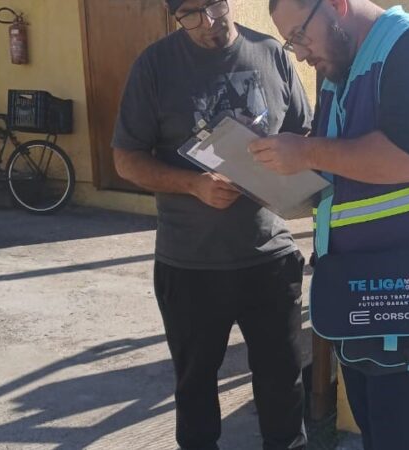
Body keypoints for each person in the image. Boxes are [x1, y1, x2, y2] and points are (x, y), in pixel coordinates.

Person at [248, 0, 409, 448]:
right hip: (364, 295)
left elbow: (408, 157)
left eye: (301, 35)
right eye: (291, 43)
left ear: (338, 6)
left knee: (405, 440)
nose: (301, 54)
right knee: (378, 434)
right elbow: (341, 167)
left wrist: (305, 153)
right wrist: (277, 171)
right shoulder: (343, 71)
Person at [111, 0, 313, 448]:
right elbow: (126, 159)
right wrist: (193, 185)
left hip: (270, 256)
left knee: (284, 382)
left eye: (214, 6)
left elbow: (305, 135)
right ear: (174, 16)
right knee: (196, 389)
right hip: (190, 265)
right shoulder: (155, 67)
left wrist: (287, 169)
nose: (208, 22)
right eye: (190, 14)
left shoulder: (272, 54)